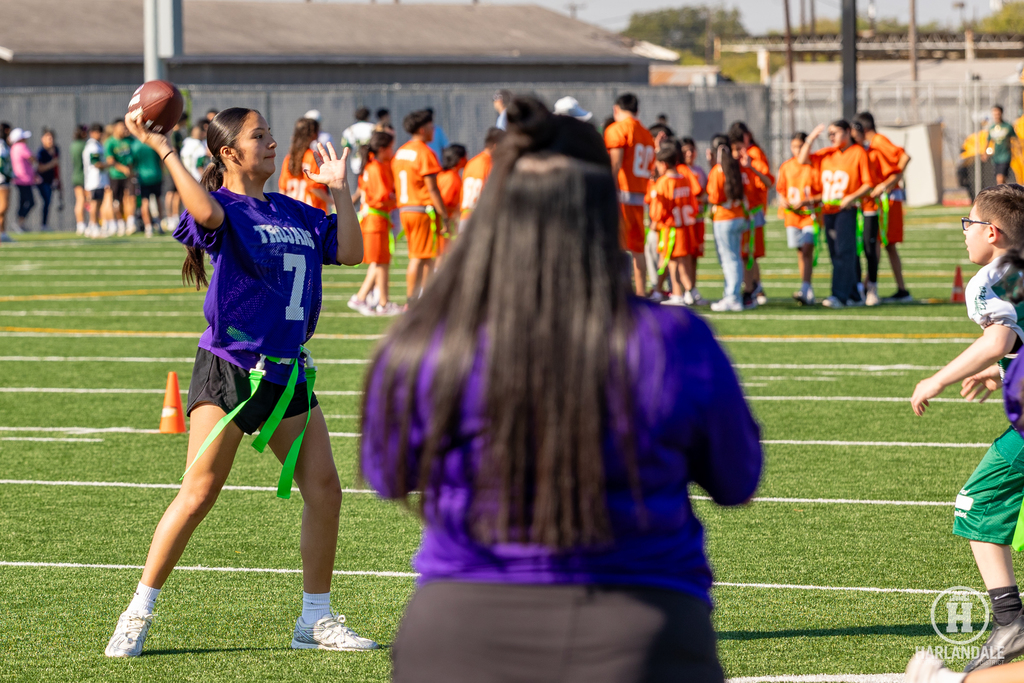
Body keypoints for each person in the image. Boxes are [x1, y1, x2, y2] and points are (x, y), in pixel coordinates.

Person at [361, 96, 761, 683]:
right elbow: (736, 479)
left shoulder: (427, 342)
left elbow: (386, 474)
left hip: (459, 631)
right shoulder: (674, 340)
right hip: (641, 629)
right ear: (601, 213)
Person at [104, 106, 374, 658]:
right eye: (260, 136)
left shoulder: (292, 210)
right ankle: (138, 609)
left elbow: (351, 252)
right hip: (231, 366)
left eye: (270, 134)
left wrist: (341, 192)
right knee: (199, 492)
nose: (272, 142)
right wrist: (163, 148)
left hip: (287, 369)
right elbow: (203, 212)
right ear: (229, 154)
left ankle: (314, 619)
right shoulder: (222, 206)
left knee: (325, 490)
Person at [910, 184, 1024, 673]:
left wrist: (938, 377)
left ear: (991, 231)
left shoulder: (993, 279)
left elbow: (1000, 337)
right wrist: (1000, 373)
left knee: (976, 502)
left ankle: (1010, 622)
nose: (964, 233)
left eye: (968, 224)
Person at [799, 121, 877, 308]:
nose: (831, 136)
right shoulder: (828, 153)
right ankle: (854, 295)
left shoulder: (858, 152)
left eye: (835, 132)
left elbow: (868, 183)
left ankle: (839, 295)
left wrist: (851, 197)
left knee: (844, 252)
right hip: (828, 210)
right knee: (836, 254)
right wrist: (811, 137)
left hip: (846, 210)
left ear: (847, 132)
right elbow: (802, 160)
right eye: (829, 134)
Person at [854, 111, 913, 304]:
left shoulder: (878, 141)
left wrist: (887, 184)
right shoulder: (870, 145)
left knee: (881, 243)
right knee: (885, 245)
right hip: (882, 200)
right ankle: (890, 287)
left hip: (887, 201)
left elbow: (904, 157)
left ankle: (873, 286)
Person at [392, 109, 447, 301]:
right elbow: (432, 189)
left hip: (405, 209)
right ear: (423, 129)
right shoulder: (424, 152)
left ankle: (420, 300)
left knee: (422, 256)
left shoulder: (400, 152)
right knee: (420, 257)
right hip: (422, 209)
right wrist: (445, 214)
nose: (434, 130)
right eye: (431, 126)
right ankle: (413, 301)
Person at [605, 92, 655, 297]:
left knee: (615, 246)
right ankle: (641, 293)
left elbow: (615, 164)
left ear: (616, 109)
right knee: (637, 248)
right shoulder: (646, 133)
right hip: (638, 196)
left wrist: (606, 189)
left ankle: (618, 292)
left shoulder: (617, 129)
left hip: (620, 195)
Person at [351, 130, 401, 317]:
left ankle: (369, 299)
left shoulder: (374, 165)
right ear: (382, 149)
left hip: (377, 219)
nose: (392, 151)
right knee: (380, 261)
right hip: (375, 219)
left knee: (380, 262)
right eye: (390, 147)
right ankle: (379, 301)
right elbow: (382, 195)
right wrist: (398, 197)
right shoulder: (375, 167)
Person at [707, 134, 759, 312]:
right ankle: (732, 293)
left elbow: (714, 196)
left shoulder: (717, 171)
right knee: (735, 257)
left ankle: (732, 296)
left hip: (724, 217)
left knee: (729, 259)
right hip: (740, 216)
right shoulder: (739, 169)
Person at [648, 142, 702, 306]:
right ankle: (691, 291)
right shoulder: (684, 179)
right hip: (685, 227)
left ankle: (678, 294)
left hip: (670, 229)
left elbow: (657, 212)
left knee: (671, 263)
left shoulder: (663, 182)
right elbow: (693, 205)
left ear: (663, 164)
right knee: (683, 262)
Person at [729, 121, 774, 306]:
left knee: (749, 254)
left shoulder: (753, 154)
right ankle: (753, 287)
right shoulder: (736, 157)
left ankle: (754, 288)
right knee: (744, 253)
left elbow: (768, 181)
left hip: (753, 211)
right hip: (741, 212)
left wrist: (751, 166)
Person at [776, 131, 822, 306]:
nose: (796, 150)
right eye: (794, 146)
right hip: (793, 217)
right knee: (800, 252)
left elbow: (822, 193)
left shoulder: (813, 165)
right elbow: (781, 190)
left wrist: (806, 201)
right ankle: (806, 288)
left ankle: (806, 286)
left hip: (810, 215)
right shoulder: (786, 166)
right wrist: (784, 201)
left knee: (807, 246)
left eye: (800, 146)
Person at [278, 118, 330, 213]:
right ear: (313, 134)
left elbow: (283, 189)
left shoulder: (289, 158)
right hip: (311, 213)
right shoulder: (313, 156)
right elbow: (314, 187)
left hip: (292, 212)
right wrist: (332, 201)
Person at [681, 137, 708, 304]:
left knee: (695, 256)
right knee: (684, 255)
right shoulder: (682, 171)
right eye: (685, 151)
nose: (689, 153)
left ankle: (692, 288)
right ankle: (685, 289)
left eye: (692, 150)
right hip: (685, 221)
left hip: (698, 220)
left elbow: (705, 193)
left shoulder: (700, 171)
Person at [459, 127, 504, 229]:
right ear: (496, 146)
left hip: (465, 216)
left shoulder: (471, 163)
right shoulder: (490, 164)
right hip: (480, 218)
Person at [105, 118, 136, 236]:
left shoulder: (130, 140)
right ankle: (120, 224)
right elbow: (110, 160)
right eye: (121, 127)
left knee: (132, 197)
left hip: (130, 175)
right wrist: (123, 169)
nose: (124, 129)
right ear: (115, 128)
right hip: (116, 176)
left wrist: (132, 168)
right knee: (117, 202)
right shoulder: (110, 142)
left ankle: (131, 223)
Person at [130, 132, 165, 237]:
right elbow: (161, 160)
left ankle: (148, 227)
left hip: (143, 176)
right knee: (158, 200)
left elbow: (132, 162)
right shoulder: (153, 143)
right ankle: (159, 224)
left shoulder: (135, 144)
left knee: (145, 202)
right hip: (156, 174)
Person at [436, 143, 466, 252]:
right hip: (445, 222)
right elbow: (444, 202)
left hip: (443, 220)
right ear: (460, 159)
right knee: (442, 255)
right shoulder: (451, 178)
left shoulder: (443, 174)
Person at [82, 123, 109, 238]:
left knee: (98, 204)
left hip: (99, 179)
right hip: (94, 180)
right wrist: (109, 164)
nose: (100, 134)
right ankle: (94, 226)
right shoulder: (92, 146)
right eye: (98, 132)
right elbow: (96, 163)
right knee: (94, 204)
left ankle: (91, 226)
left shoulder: (98, 145)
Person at [10, 128, 37, 233]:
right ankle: (19, 222)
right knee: (30, 201)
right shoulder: (21, 147)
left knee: (22, 201)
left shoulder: (13, 148)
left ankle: (19, 223)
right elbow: (32, 158)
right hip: (24, 179)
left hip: (18, 179)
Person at [340, 106, 375, 177]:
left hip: (356, 163)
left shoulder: (349, 130)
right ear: (367, 116)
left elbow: (346, 150)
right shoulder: (374, 128)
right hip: (372, 163)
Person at [986, 105, 1017, 186]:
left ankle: (1003, 197)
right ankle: (1007, 195)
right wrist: (985, 153)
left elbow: (1015, 140)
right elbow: (988, 140)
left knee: (1000, 179)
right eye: (994, 114)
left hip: (1005, 156)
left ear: (1001, 113)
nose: (996, 115)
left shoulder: (1008, 126)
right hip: (996, 157)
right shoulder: (992, 128)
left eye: (998, 113)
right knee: (1001, 181)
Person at [71, 125, 89, 235]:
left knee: (79, 201)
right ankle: (89, 224)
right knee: (86, 201)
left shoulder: (73, 145)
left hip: (76, 175)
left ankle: (80, 225)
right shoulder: (84, 145)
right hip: (84, 176)